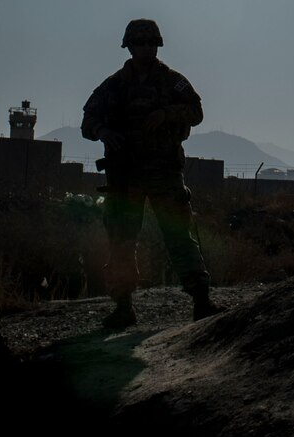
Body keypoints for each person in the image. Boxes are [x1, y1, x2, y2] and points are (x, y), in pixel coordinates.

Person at [81, 19, 221, 329]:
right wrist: (103, 131)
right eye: (141, 43)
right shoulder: (113, 85)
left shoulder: (172, 82)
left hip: (163, 172)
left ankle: (201, 299)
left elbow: (196, 112)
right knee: (121, 239)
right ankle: (122, 307)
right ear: (129, 46)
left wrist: (166, 113)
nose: (147, 48)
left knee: (178, 236)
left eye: (151, 43)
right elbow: (87, 122)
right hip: (125, 176)